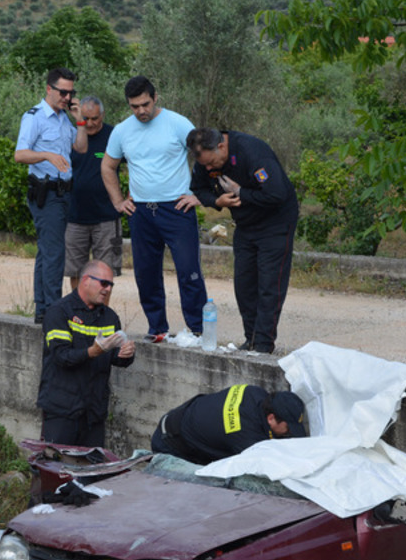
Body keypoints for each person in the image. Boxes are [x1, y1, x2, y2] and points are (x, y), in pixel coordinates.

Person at [101, 76, 206, 342]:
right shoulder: (122, 131)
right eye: (134, 106)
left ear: (155, 97)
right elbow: (107, 166)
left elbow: (204, 156)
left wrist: (197, 195)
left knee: (188, 272)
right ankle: (157, 328)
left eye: (145, 104)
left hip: (177, 209)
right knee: (146, 274)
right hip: (141, 212)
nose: (141, 111)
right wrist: (117, 201)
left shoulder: (178, 123)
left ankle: (197, 331)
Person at [188, 128, 300, 353]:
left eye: (211, 164)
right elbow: (198, 189)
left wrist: (241, 193)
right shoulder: (206, 159)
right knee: (244, 284)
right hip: (246, 225)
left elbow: (276, 193)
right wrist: (217, 200)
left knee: (269, 285)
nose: (209, 169)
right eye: (205, 165)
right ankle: (251, 339)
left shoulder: (253, 153)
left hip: (275, 223)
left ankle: (262, 346)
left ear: (221, 146)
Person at [14, 67, 88, 324]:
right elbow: (19, 154)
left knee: (47, 252)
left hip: (63, 193)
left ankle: (43, 309)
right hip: (46, 193)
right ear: (49, 89)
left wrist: (79, 120)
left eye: (71, 93)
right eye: (63, 92)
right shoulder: (34, 117)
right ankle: (54, 312)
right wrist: (46, 155)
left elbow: (80, 148)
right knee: (55, 253)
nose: (67, 97)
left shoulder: (62, 119)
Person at [37, 260, 136, 447]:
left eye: (111, 285)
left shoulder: (109, 317)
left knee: (92, 473)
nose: (107, 289)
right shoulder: (59, 312)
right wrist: (92, 351)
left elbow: (116, 358)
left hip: (94, 413)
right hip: (62, 411)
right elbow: (61, 356)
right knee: (56, 471)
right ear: (85, 281)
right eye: (103, 283)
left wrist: (126, 354)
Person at [150, 385, 308, 465]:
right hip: (171, 444)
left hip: (181, 418)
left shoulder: (256, 393)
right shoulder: (247, 438)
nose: (289, 435)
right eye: (288, 429)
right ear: (271, 418)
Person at [66, 95, 124, 290]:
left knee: (105, 274)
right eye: (86, 118)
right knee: (75, 272)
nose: (90, 123)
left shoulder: (114, 135)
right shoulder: (72, 135)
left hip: (106, 218)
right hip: (75, 217)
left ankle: (100, 318)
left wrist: (130, 197)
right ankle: (78, 314)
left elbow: (137, 164)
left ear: (103, 115)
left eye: (95, 119)